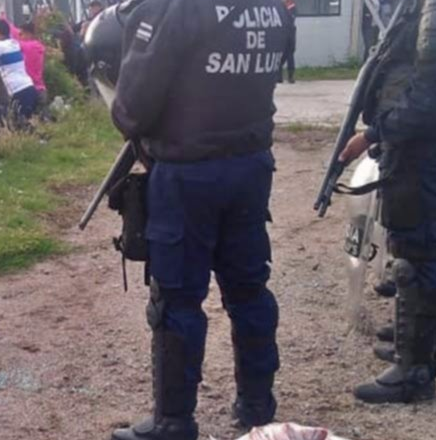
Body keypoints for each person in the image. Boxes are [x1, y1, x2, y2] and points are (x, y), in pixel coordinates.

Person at [89, 0, 290, 437]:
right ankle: (257, 405)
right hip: (251, 166)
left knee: (176, 300)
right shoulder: (273, 8)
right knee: (250, 290)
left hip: (188, 173)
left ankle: (173, 422)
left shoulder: (171, 8)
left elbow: (133, 108)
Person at [338, 0, 436, 404]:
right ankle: (424, 348)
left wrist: (376, 133)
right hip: (424, 149)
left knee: (416, 256)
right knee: (434, 247)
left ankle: (414, 370)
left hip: (420, 152)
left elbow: (433, 98)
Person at [0, 18, 39, 127]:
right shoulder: (14, 43)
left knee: (13, 126)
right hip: (29, 87)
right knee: (23, 127)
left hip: (16, 92)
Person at [16, 22, 48, 116]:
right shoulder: (38, 47)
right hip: (41, 88)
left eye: (21, 34)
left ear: (28, 34)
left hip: (30, 89)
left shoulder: (28, 46)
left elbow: (11, 43)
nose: (19, 37)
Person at [280, 0, 297, 83]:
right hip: (282, 32)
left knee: (290, 54)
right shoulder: (280, 6)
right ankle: (279, 76)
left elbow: (291, 18)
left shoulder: (291, 6)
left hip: (289, 32)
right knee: (282, 55)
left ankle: (290, 76)